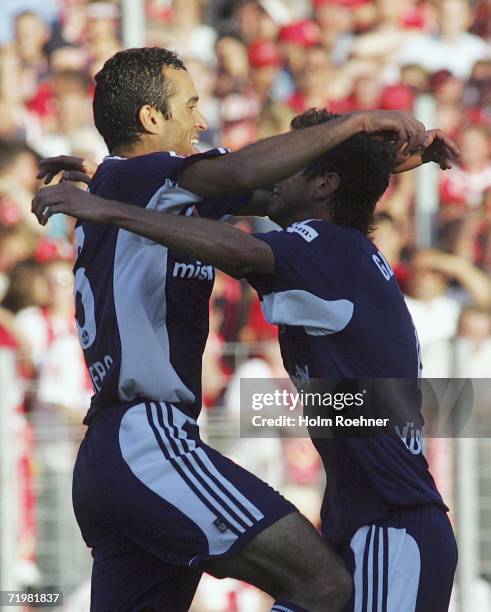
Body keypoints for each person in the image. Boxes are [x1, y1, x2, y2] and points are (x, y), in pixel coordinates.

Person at [32, 47, 437, 612]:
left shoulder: (140, 189)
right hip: (148, 438)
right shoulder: (144, 182)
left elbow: (276, 193)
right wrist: (358, 122)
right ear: (152, 119)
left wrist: (365, 167)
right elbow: (250, 177)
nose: (201, 121)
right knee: (324, 586)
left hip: (110, 452)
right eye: (191, 105)